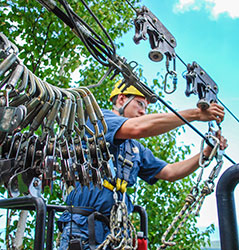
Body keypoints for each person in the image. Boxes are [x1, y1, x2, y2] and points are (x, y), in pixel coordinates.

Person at [58, 80, 227, 249]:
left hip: (115, 233)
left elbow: (170, 172)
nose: (143, 111)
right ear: (122, 99)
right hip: (83, 229)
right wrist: (195, 115)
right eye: (139, 104)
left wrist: (205, 153)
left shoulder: (134, 148)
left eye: (146, 108)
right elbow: (138, 128)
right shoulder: (98, 121)